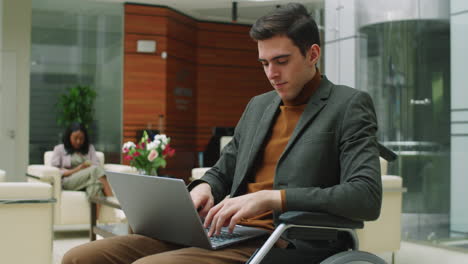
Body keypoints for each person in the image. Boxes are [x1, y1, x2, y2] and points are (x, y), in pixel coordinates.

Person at [62, 3, 381, 264]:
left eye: (281, 61)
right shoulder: (259, 107)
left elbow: (365, 196)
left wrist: (272, 198)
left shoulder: (347, 106)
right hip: (227, 232)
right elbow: (223, 170)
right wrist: (205, 189)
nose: (272, 73)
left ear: (313, 54)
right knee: (81, 257)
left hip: (286, 241)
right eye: (264, 63)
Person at [52, 123, 113, 201]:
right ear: (69, 136)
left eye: (81, 138)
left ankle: (96, 213)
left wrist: (88, 168)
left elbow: (96, 165)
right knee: (95, 170)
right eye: (75, 138)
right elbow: (56, 171)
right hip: (68, 181)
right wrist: (78, 169)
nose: (78, 141)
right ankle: (113, 202)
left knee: (96, 186)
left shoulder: (90, 148)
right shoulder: (59, 149)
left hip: (89, 178)